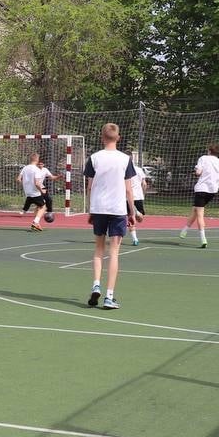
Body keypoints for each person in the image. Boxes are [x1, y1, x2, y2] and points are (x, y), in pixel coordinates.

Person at [84, 123, 141, 310]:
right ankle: (109, 296)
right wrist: (132, 212)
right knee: (114, 252)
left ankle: (96, 284)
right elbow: (128, 189)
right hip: (117, 209)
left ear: (102, 137)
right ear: (118, 137)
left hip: (99, 208)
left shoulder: (94, 158)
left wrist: (91, 210)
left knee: (98, 249)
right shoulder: (125, 159)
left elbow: (90, 187)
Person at [180, 144, 219, 247]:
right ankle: (184, 230)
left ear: (209, 151)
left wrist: (196, 171)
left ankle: (203, 239)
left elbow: (198, 172)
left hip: (201, 190)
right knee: (196, 209)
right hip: (212, 192)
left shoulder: (203, 158)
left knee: (200, 214)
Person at [18, 152, 57, 231]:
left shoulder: (25, 168)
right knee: (43, 207)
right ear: (37, 159)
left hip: (27, 192)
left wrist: (26, 184)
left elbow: (18, 179)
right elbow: (37, 183)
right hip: (35, 192)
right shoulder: (36, 169)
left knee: (39, 207)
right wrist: (41, 190)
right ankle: (35, 222)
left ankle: (37, 222)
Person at [128, 154, 149, 246]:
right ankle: (135, 239)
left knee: (131, 217)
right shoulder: (139, 170)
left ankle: (135, 239)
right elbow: (144, 184)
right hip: (138, 197)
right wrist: (143, 194)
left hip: (129, 197)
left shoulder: (124, 170)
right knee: (139, 219)